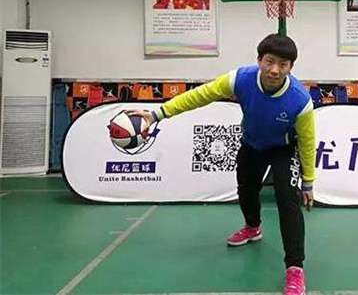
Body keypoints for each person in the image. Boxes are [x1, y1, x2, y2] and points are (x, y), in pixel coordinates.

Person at [129, 34, 315, 295]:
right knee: (246, 190)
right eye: (270, 61)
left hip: (283, 149)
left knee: (288, 200)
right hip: (252, 144)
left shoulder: (299, 100)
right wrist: (156, 114)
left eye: (283, 64)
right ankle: (253, 228)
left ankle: (295, 268)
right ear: (259, 60)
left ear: (291, 68)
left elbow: (307, 141)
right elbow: (200, 95)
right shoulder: (240, 79)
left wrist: (308, 181)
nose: (275, 70)